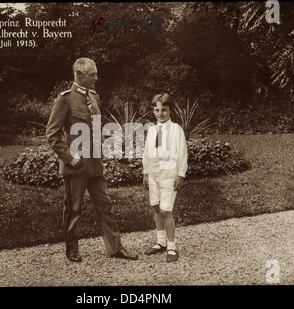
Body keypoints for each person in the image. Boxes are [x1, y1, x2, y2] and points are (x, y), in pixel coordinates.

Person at [46, 57, 138, 262]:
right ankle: (72, 249)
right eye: (92, 74)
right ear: (79, 75)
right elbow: (52, 134)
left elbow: (96, 129)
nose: (97, 77)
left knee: (105, 206)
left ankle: (115, 248)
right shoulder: (65, 99)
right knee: (73, 209)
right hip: (76, 167)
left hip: (96, 166)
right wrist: (69, 158)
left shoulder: (95, 97)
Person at [142, 93, 188, 262]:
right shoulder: (152, 130)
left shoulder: (176, 130)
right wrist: (145, 173)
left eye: (164, 110)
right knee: (156, 207)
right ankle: (160, 241)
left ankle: (172, 246)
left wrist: (180, 174)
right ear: (153, 111)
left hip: (169, 174)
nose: (160, 113)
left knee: (165, 210)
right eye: (157, 110)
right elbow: (147, 153)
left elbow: (183, 153)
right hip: (154, 174)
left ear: (170, 110)